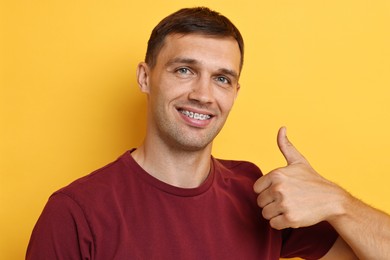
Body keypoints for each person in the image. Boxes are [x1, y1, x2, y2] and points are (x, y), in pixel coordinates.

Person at [26, 7, 390, 260]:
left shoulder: (260, 194)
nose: (203, 94)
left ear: (235, 92)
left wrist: (337, 203)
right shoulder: (76, 213)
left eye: (221, 79)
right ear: (144, 77)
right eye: (184, 70)